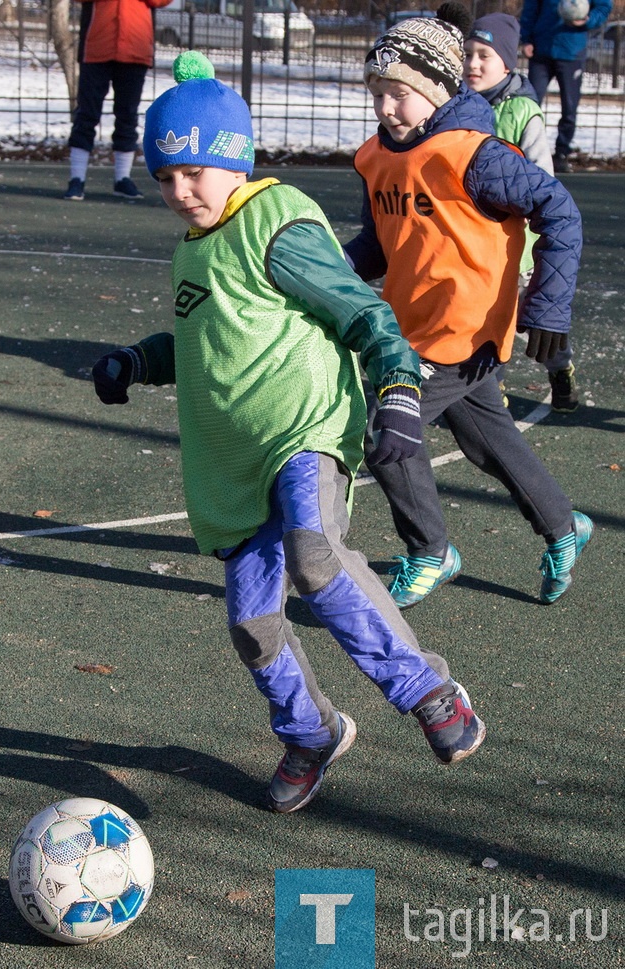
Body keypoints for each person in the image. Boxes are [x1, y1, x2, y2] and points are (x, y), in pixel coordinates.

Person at [90, 51, 486, 814]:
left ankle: (430, 690)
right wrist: (137, 360)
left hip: (301, 430)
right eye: (165, 178)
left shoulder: (278, 220)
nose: (179, 190)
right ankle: (311, 731)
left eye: (194, 172)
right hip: (229, 469)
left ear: (232, 159)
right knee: (251, 622)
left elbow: (360, 309)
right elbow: (200, 338)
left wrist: (398, 385)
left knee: (315, 552)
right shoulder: (190, 249)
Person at [345, 3, 592, 612]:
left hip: (465, 327)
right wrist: (329, 273)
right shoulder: (376, 158)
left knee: (387, 435)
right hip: (416, 325)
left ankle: (430, 551)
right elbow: (379, 244)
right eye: (376, 92)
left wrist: (549, 307)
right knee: (487, 438)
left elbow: (560, 211)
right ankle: (565, 526)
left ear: (435, 89)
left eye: (399, 93)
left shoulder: (475, 155)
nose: (385, 107)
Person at [464, 11, 579, 412]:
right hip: (476, 242)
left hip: (521, 245)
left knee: (533, 321)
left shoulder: (522, 113)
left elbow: (543, 184)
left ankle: (559, 368)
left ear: (508, 62)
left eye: (484, 55)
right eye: (468, 54)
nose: (473, 64)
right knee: (487, 318)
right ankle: (490, 392)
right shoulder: (459, 108)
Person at [62, 0, 172, 202]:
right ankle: (76, 179)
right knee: (87, 113)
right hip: (97, 48)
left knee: (127, 115)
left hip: (135, 49)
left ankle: (122, 179)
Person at [520, 0, 612, 172]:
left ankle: (561, 153)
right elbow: (530, 8)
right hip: (541, 50)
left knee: (569, 107)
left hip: (571, 52)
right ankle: (525, 150)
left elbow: (604, 6)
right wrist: (526, 39)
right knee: (529, 104)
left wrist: (588, 20)